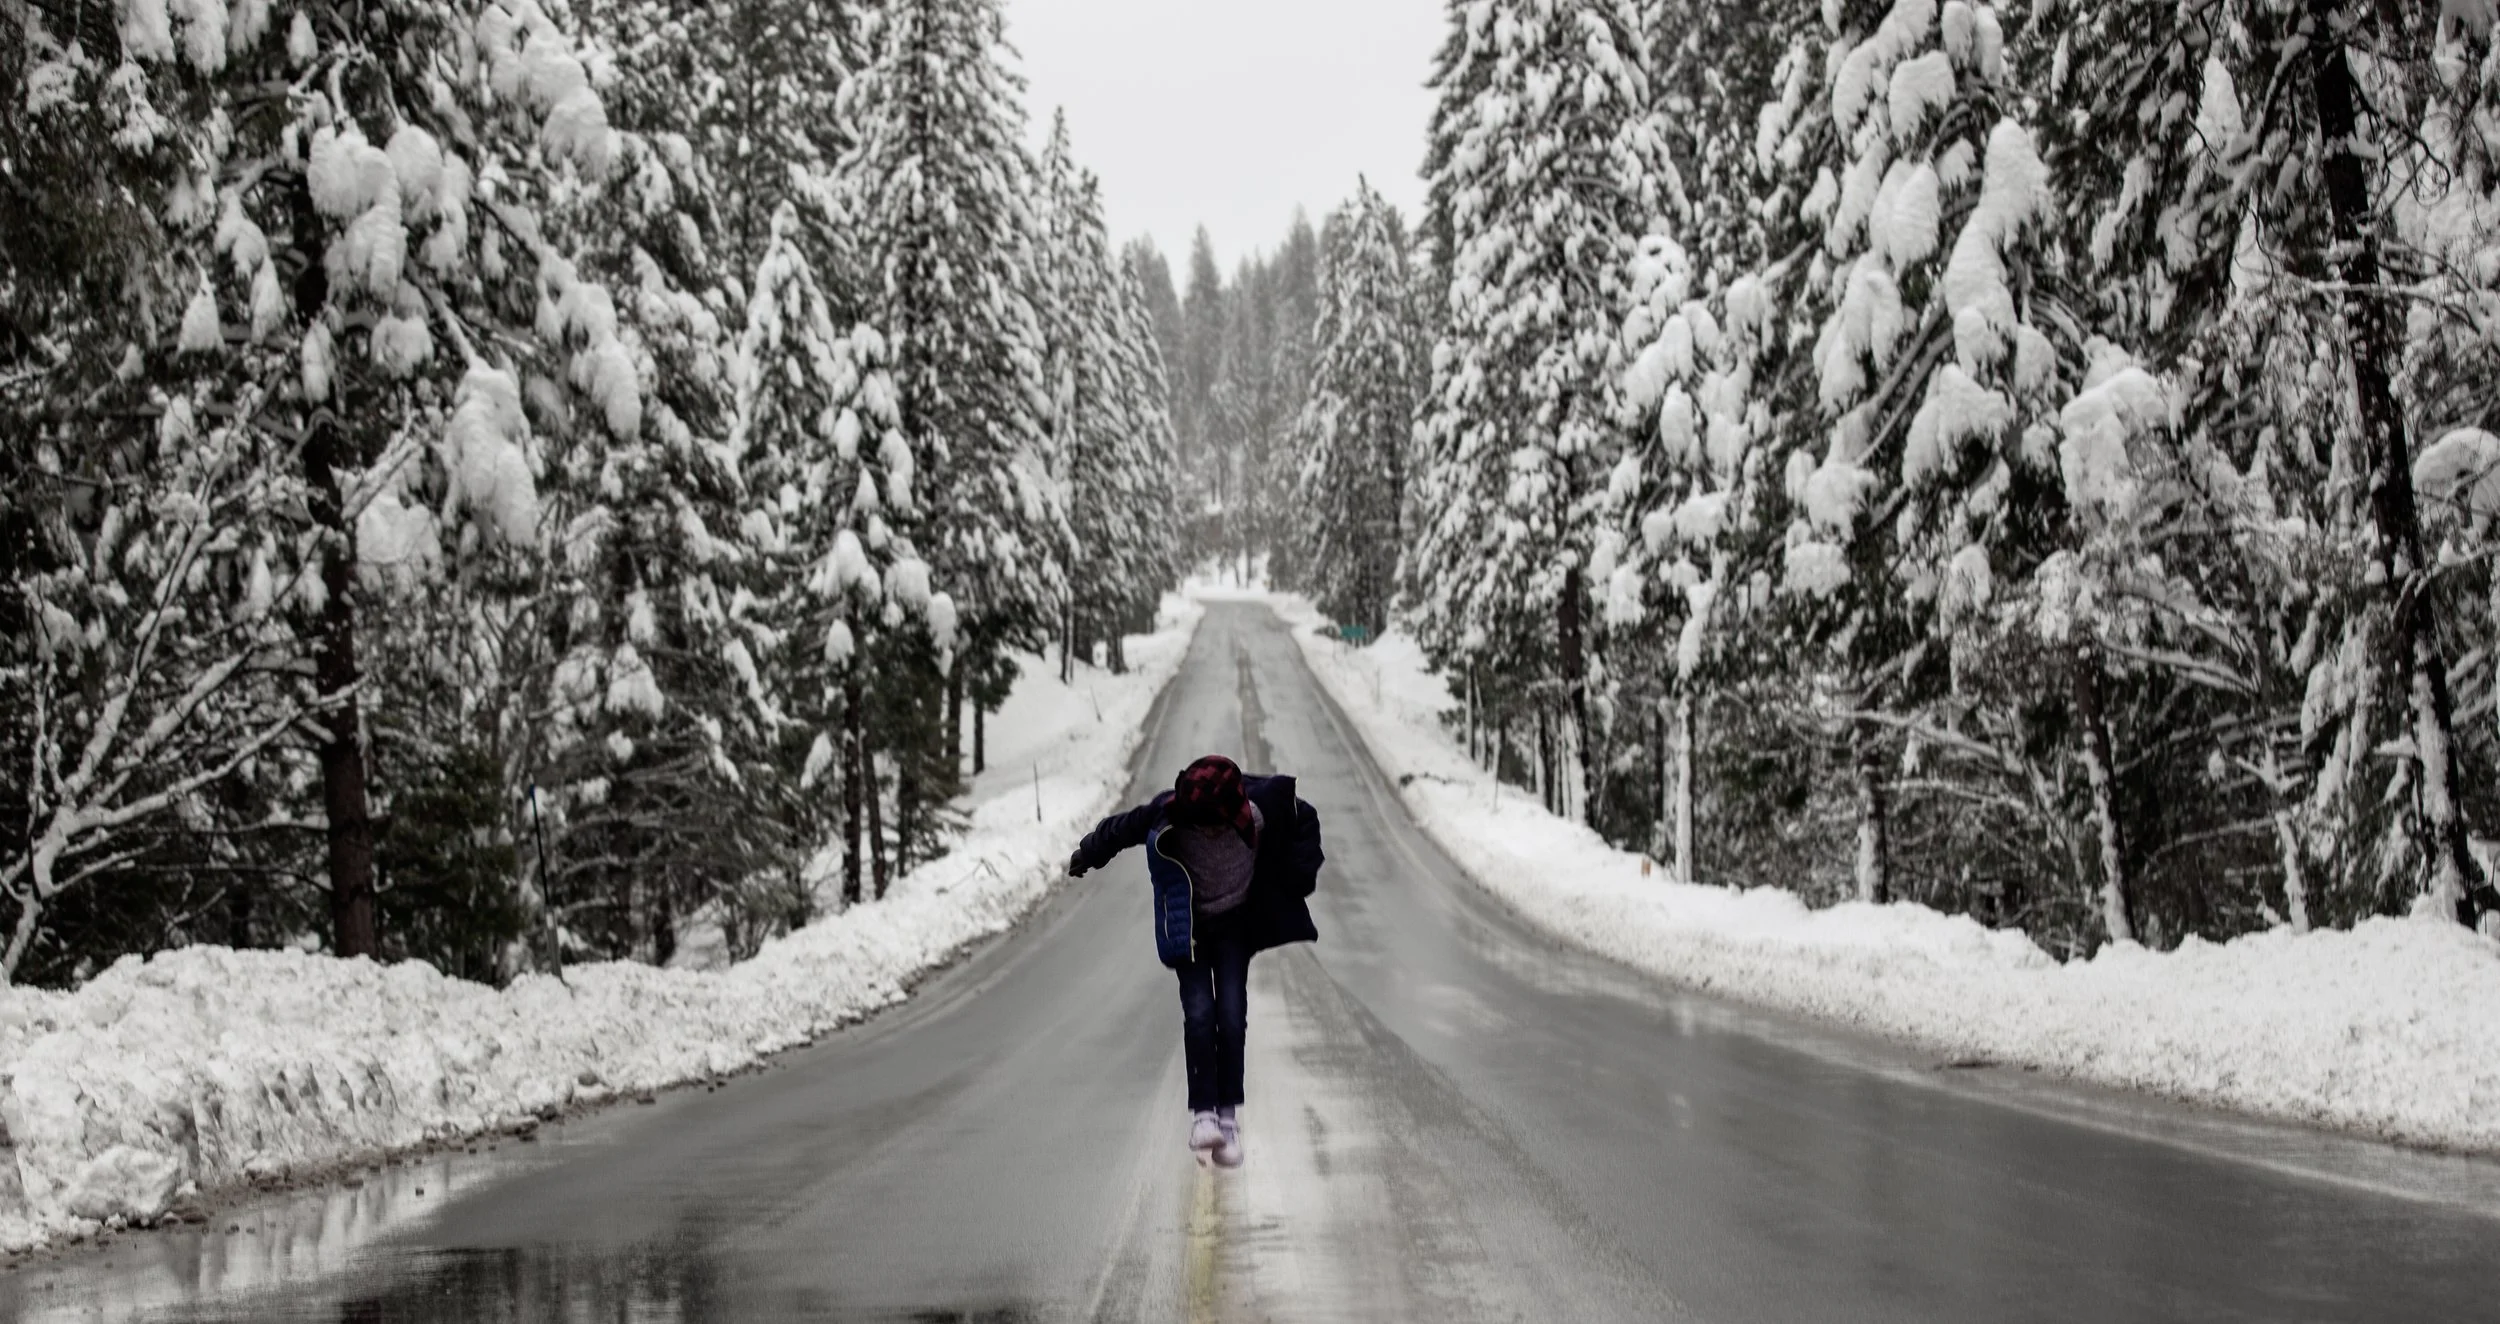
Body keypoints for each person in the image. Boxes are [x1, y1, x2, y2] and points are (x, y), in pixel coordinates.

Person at [1068, 754, 1324, 1167]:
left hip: (1236, 927)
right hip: (1189, 928)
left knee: (1231, 1011)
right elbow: (1124, 827)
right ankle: (1203, 1115)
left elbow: (1303, 815)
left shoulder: (1256, 816)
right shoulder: (1170, 814)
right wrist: (1089, 852)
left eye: (1214, 825)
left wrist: (1301, 872)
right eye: (1199, 824)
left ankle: (1227, 1122)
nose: (1206, 831)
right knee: (1201, 1013)